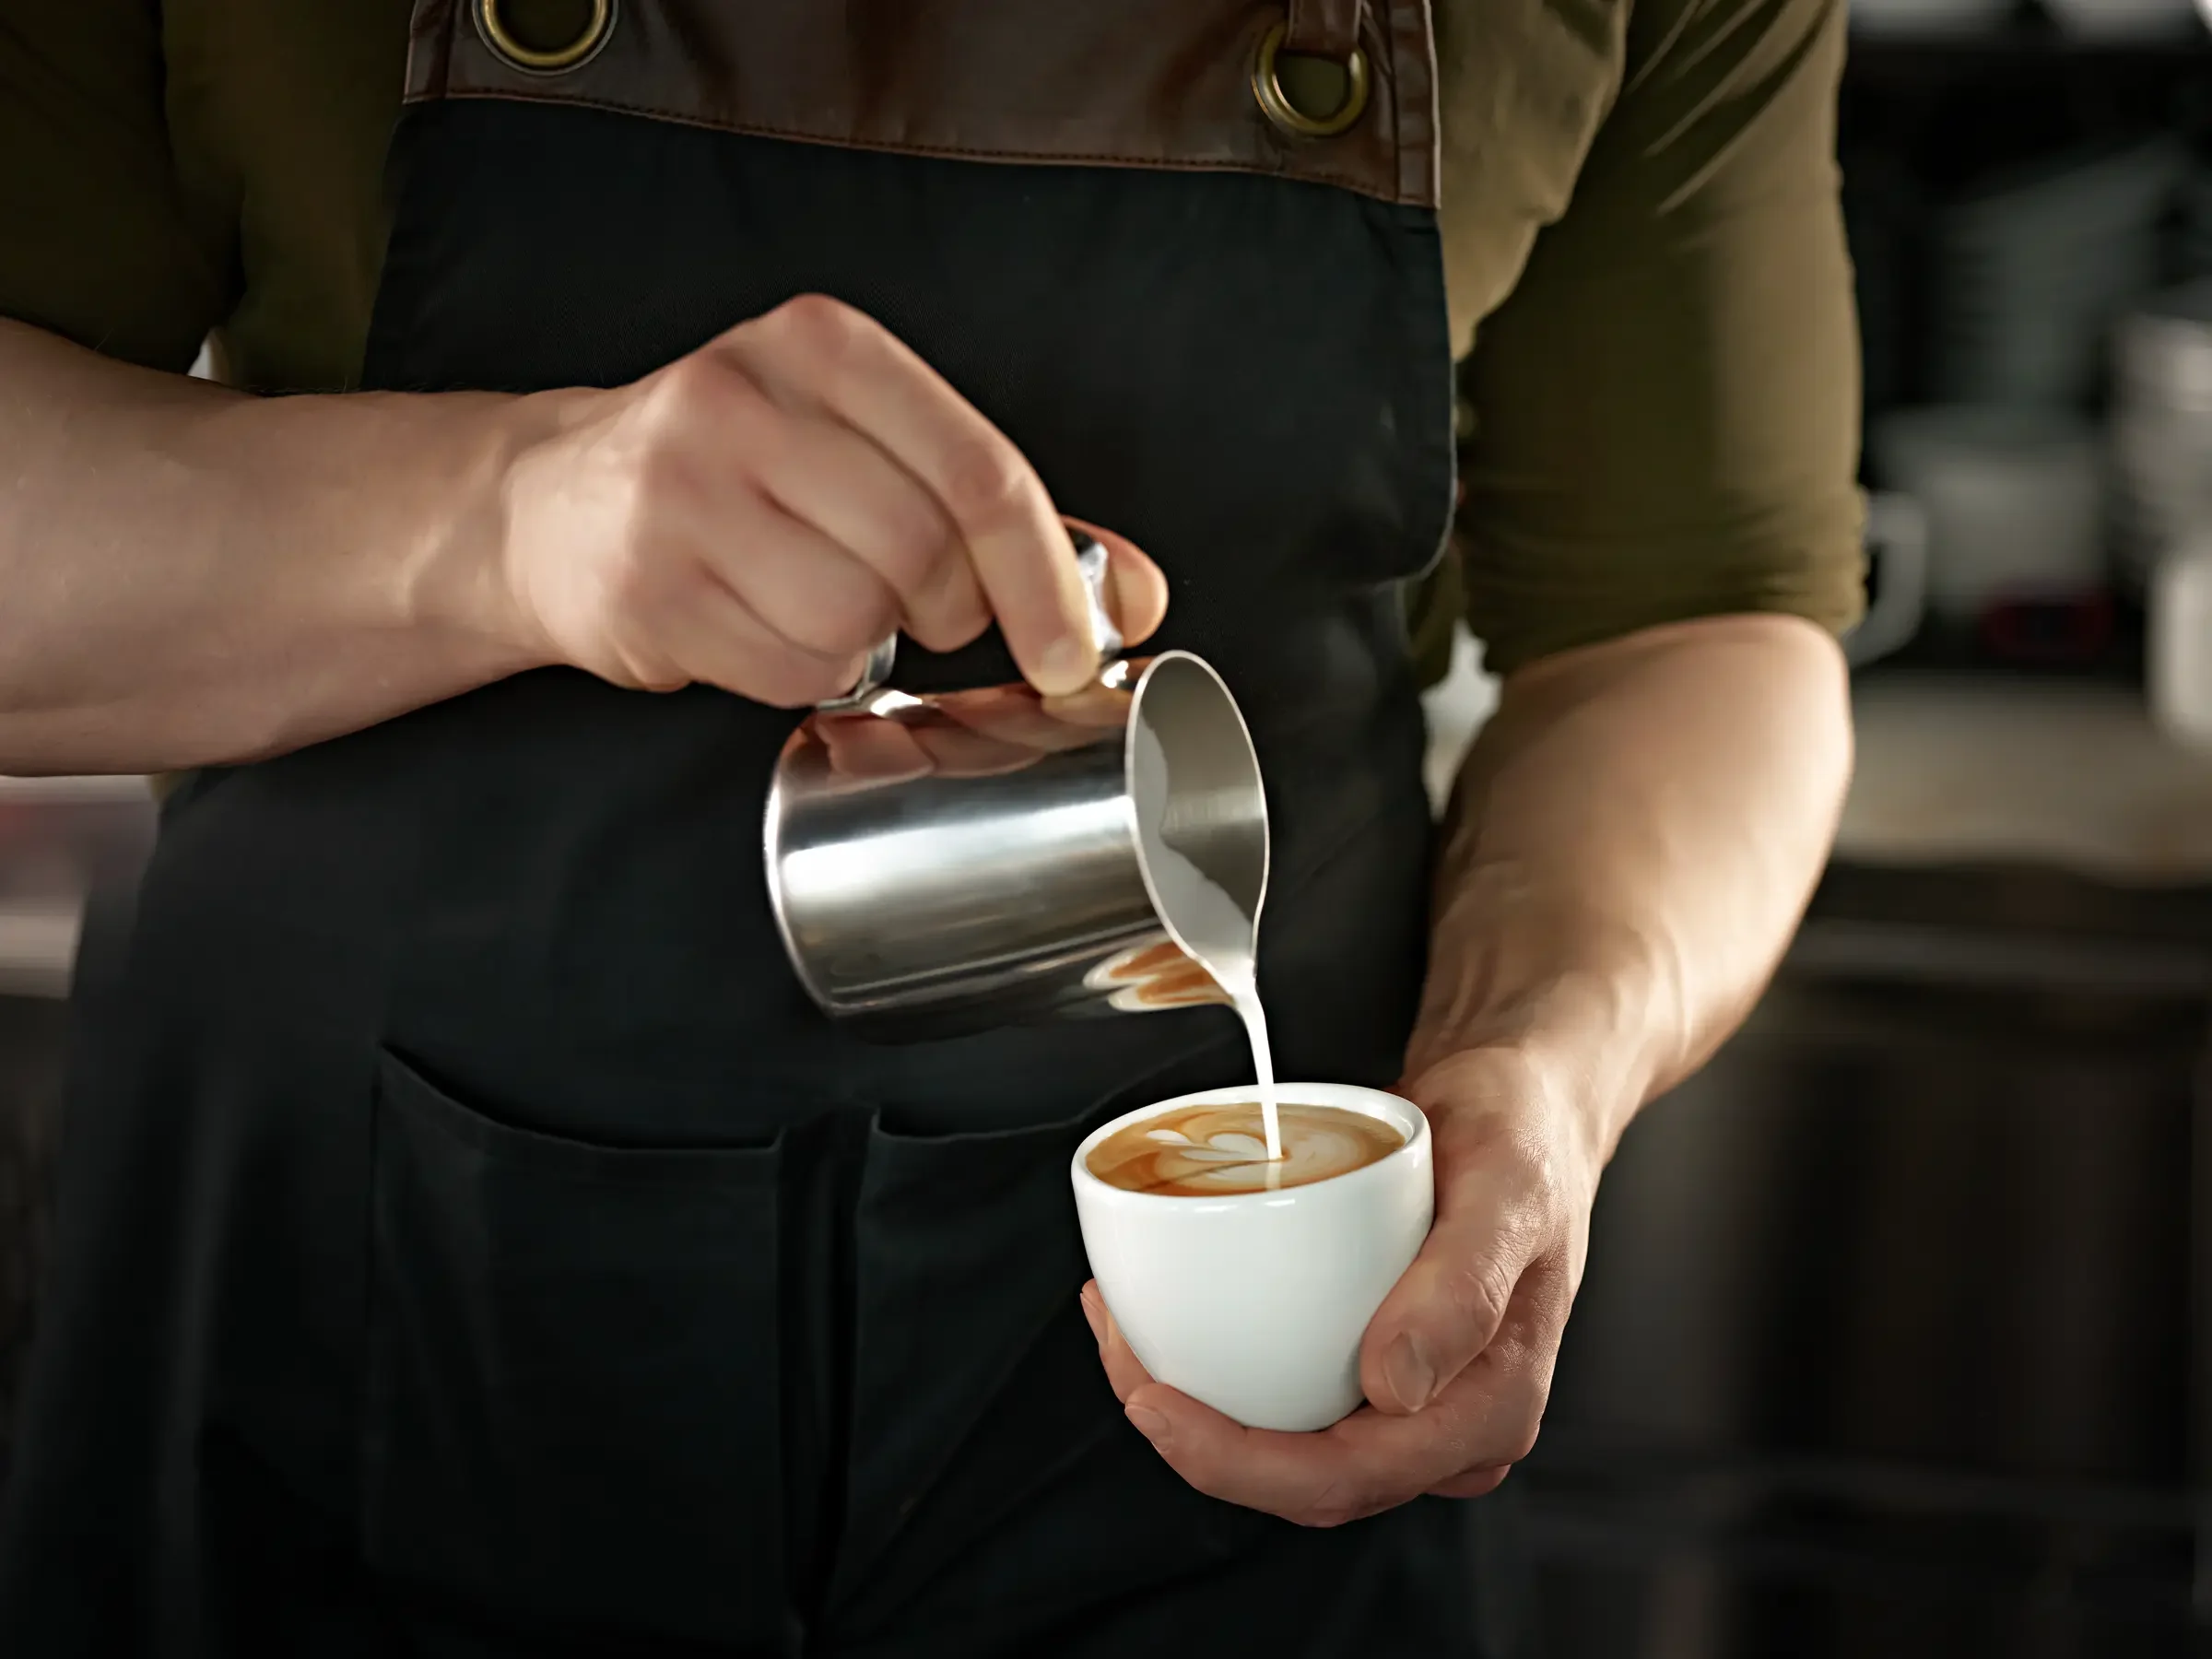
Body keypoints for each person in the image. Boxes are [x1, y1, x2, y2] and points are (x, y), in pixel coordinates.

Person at [0, 0, 1860, 1653]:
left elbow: (1697, 619)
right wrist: (497, 518)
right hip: (349, 1327)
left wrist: (1542, 1064)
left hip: (1249, 1430)